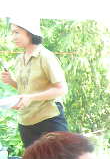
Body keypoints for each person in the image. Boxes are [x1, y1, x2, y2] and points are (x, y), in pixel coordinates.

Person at [0, 18, 69, 148]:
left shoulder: (46, 57)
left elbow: (61, 89)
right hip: (26, 122)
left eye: (17, 32)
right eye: (12, 33)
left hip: (48, 119)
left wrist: (31, 97)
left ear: (30, 32)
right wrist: (11, 81)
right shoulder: (19, 59)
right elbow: (27, 90)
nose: (13, 37)